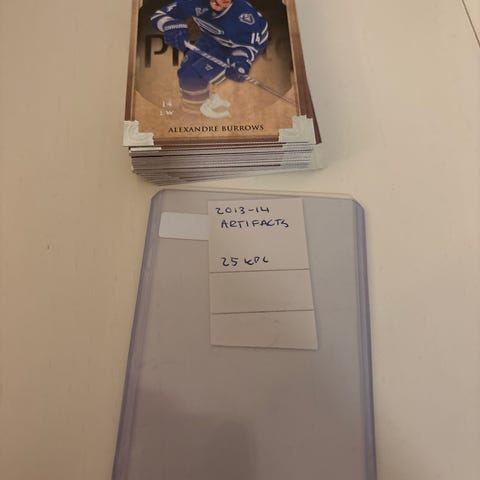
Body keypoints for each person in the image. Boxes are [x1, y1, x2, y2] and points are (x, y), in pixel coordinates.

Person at [151, 0, 269, 115]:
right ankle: (191, 107)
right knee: (185, 70)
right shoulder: (193, 2)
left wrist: (240, 63)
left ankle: (196, 115)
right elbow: (159, 15)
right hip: (212, 37)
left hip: (237, 46)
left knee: (192, 76)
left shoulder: (243, 14)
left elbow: (247, 46)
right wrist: (169, 25)